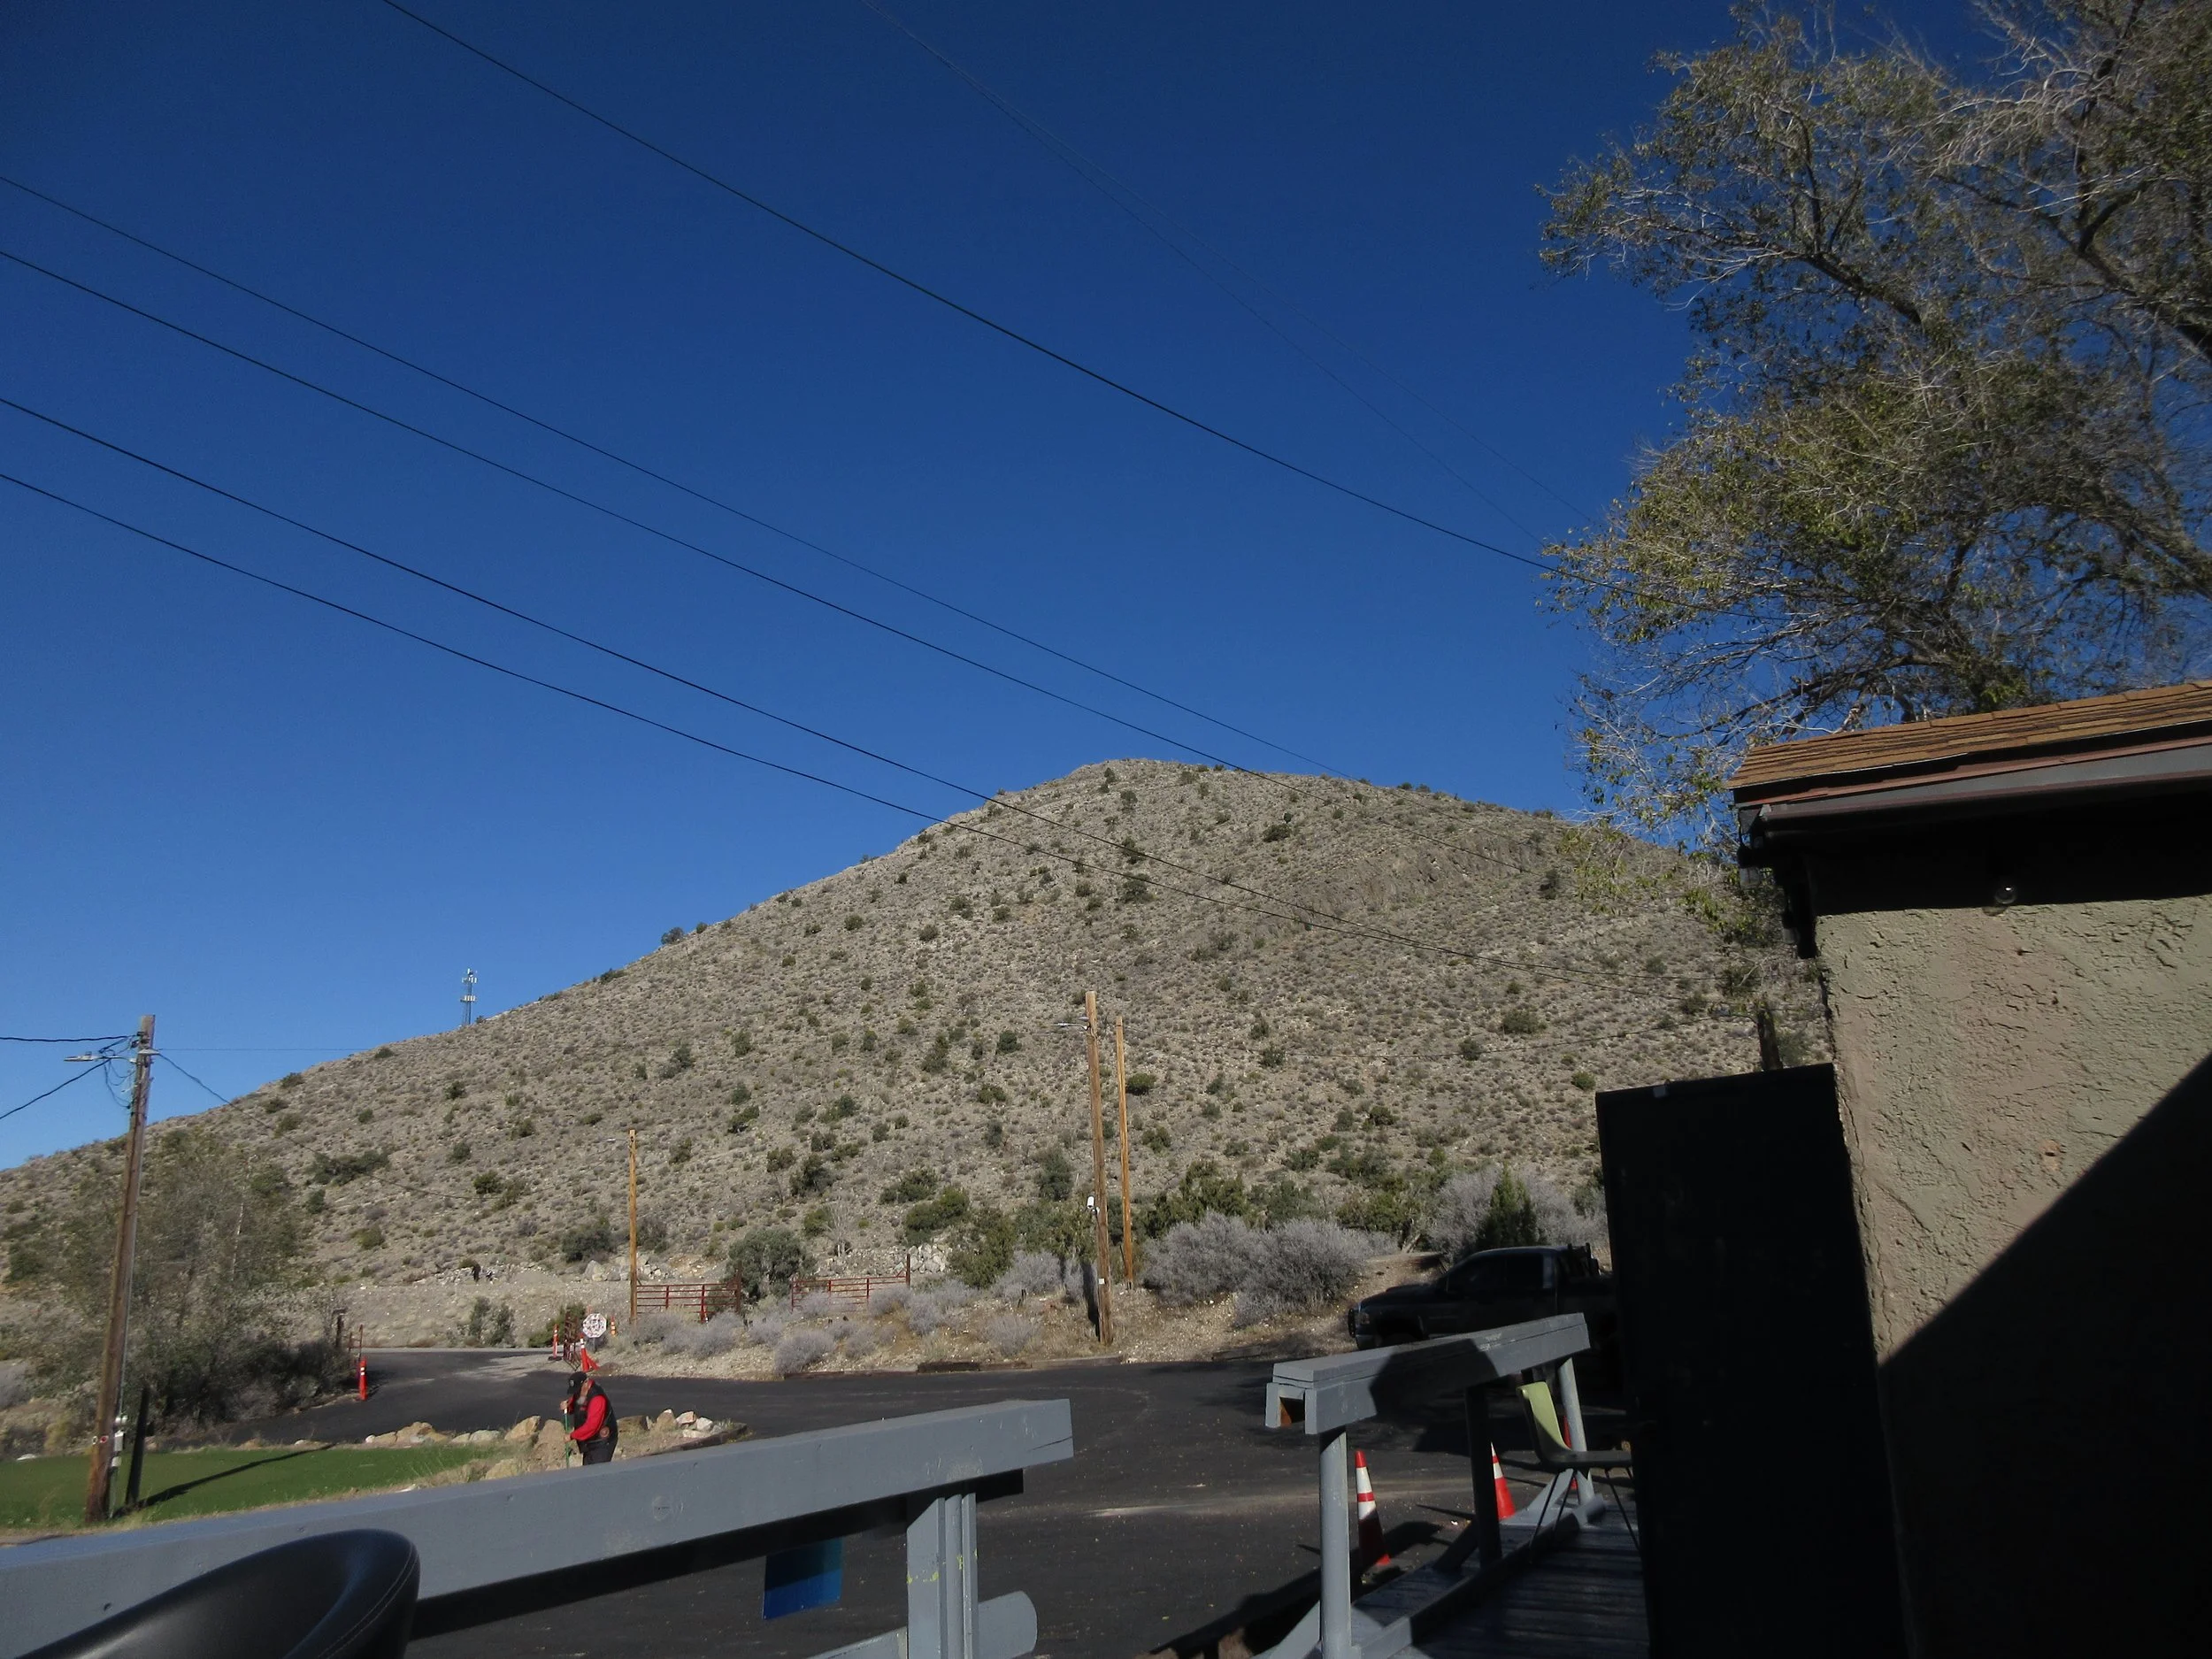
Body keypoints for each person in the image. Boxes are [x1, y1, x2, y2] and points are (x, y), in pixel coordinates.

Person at [563, 1371, 618, 1465]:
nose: (577, 1392)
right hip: (589, 1443)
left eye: (578, 1389)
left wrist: (572, 1436)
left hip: (601, 1443)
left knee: (597, 1473)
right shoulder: (582, 1393)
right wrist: (569, 1406)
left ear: (586, 1383)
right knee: (587, 1471)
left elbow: (592, 1426)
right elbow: (579, 1403)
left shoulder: (597, 1399)